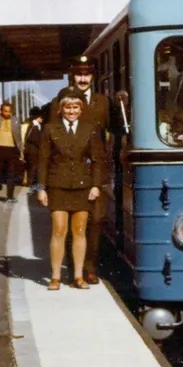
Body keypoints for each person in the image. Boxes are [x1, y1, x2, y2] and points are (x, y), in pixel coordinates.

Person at [49, 55, 111, 284]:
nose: (83, 79)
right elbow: (53, 134)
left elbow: (112, 132)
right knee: (67, 222)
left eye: (87, 74)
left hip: (95, 170)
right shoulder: (59, 101)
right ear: (72, 76)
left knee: (95, 220)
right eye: (79, 74)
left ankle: (90, 267)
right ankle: (71, 268)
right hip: (68, 173)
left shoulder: (103, 102)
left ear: (93, 77)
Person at [36, 87, 106, 291]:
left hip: (82, 187)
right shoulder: (49, 129)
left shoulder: (90, 128)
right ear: (61, 109)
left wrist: (96, 185)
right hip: (57, 186)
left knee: (80, 231)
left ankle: (78, 276)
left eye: (76, 107)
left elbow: (97, 160)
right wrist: (41, 188)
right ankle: (55, 277)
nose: (72, 111)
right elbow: (43, 160)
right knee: (59, 230)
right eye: (68, 107)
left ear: (81, 109)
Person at [21, 106, 45, 188]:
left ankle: (29, 181)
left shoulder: (30, 124)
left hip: (28, 149)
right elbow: (35, 138)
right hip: (33, 150)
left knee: (30, 166)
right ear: (38, 117)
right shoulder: (35, 126)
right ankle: (30, 183)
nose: (42, 120)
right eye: (41, 118)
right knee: (33, 167)